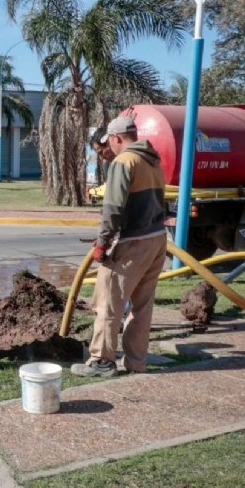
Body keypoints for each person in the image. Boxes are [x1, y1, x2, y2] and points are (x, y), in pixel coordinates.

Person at [72, 115, 167, 377]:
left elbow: (113, 209)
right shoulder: (153, 160)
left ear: (115, 139)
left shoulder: (124, 162)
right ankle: (137, 362)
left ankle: (102, 361)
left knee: (108, 302)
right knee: (142, 306)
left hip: (133, 241)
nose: (109, 151)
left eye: (109, 145)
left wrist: (102, 244)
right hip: (157, 239)